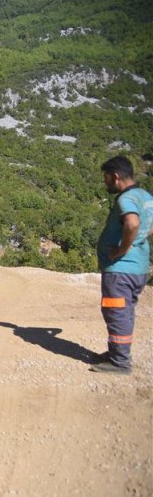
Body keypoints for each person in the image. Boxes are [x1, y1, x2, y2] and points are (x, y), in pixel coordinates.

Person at [92, 156, 153, 374]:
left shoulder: (125, 199)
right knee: (124, 311)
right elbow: (148, 225)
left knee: (116, 312)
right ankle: (117, 352)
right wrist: (138, 242)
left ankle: (119, 362)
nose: (105, 182)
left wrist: (121, 249)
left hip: (121, 269)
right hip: (139, 268)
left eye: (107, 178)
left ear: (116, 176)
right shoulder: (145, 196)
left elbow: (133, 222)